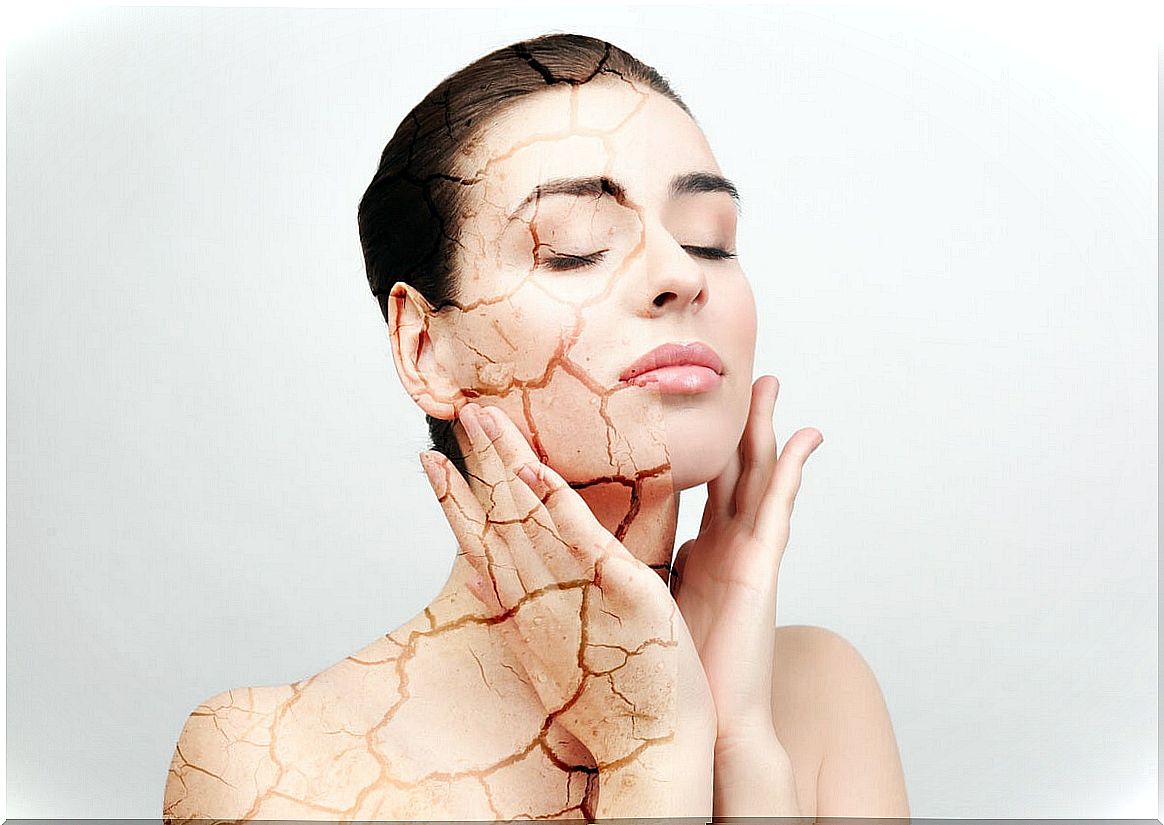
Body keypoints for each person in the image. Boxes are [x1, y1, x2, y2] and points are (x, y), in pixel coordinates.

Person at [162, 32, 909, 822]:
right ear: (427, 348)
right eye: (574, 249)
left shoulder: (820, 694)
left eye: (707, 239)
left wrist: (739, 744)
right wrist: (651, 752)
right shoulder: (267, 760)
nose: (682, 274)